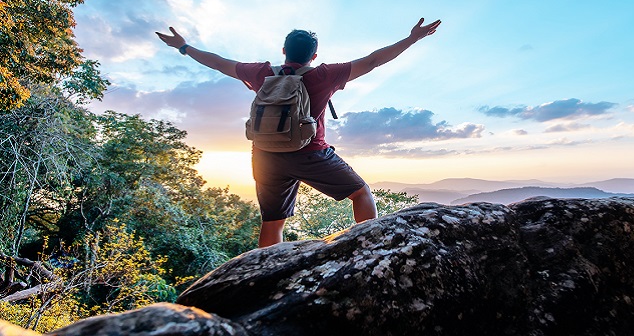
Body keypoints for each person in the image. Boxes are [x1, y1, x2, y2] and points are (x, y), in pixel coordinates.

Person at [155, 18, 441, 247]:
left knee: (272, 223)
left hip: (265, 156)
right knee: (362, 193)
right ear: (314, 55)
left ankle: (265, 273)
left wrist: (184, 47)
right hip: (311, 154)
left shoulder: (262, 72)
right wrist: (412, 38)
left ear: (283, 51)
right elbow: (373, 61)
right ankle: (369, 250)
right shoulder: (323, 75)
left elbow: (219, 63)